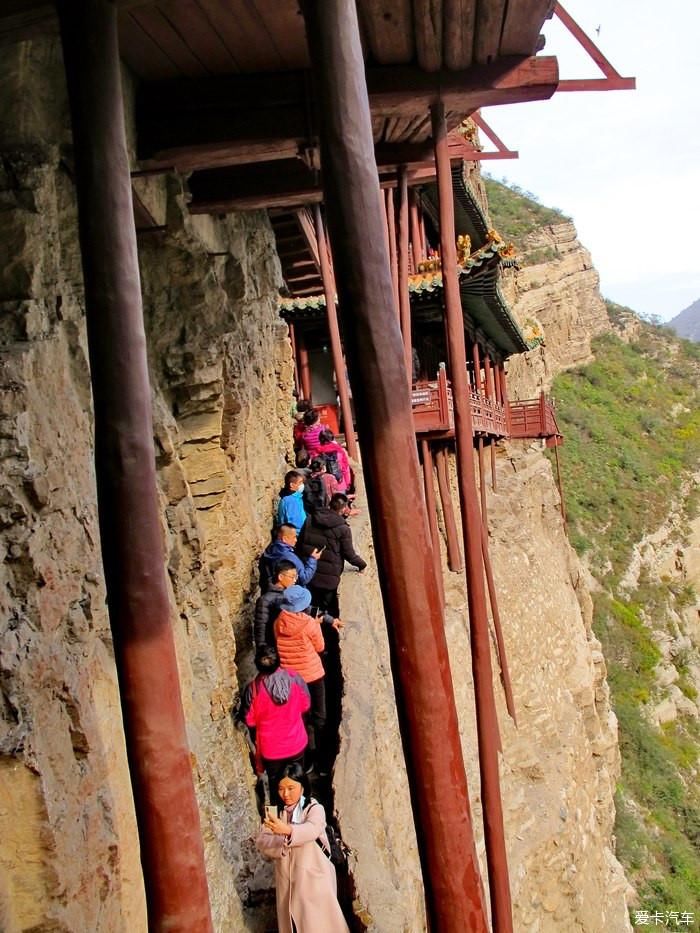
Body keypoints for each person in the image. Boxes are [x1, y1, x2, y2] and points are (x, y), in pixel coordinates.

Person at [255, 763, 349, 933]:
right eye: (281, 789)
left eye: (291, 788)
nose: (286, 794)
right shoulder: (276, 813)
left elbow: (313, 829)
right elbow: (262, 841)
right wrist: (282, 840)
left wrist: (288, 831)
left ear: (302, 787)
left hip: (314, 880)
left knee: (321, 924)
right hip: (287, 885)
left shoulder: (314, 808)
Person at [274, 585, 342, 772]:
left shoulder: (279, 622)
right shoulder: (309, 624)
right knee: (319, 717)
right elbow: (320, 647)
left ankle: (304, 760)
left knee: (300, 718)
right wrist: (317, 625)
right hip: (312, 675)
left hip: (290, 677)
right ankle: (321, 759)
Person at [241, 646, 310, 804]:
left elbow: (249, 720)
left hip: (272, 751)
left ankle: (279, 822)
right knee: (298, 782)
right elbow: (306, 704)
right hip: (296, 743)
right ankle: (302, 816)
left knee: (277, 788)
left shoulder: (254, 690)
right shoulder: (294, 678)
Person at [297, 493, 366, 617]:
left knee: (308, 606)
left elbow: (300, 543)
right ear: (344, 509)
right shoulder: (343, 528)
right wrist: (362, 565)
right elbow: (349, 554)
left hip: (309, 572)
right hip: (328, 579)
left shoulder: (311, 518)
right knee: (325, 610)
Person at [259, 525, 321, 593]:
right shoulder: (289, 557)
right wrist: (313, 559)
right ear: (285, 538)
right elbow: (304, 578)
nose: (296, 540)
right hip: (290, 593)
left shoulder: (271, 549)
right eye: (294, 537)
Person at [253, 559, 298, 649]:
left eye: (296, 577)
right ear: (280, 577)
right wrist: (262, 649)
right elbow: (261, 627)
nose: (295, 580)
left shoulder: (291, 595)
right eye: (292, 577)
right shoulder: (265, 599)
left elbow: (306, 608)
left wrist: (328, 619)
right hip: (274, 645)